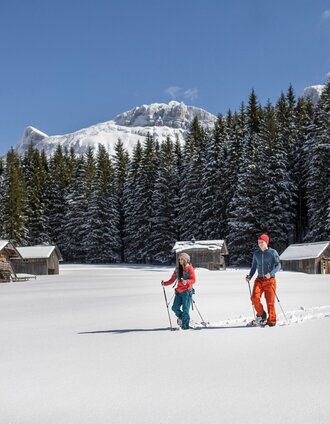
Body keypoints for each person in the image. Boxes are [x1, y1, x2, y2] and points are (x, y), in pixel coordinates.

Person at [245, 234, 281, 327]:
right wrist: (250, 276)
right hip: (259, 280)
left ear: (266, 242)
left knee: (270, 302)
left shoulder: (273, 252)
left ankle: (271, 321)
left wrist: (271, 273)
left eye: (262, 242)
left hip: (270, 281)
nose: (260, 244)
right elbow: (253, 267)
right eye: (259, 242)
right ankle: (261, 314)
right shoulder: (256, 253)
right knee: (254, 298)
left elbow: (278, 265)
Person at [161, 252, 196, 329]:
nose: (180, 261)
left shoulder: (190, 268)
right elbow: (172, 280)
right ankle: (182, 318)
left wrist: (187, 281)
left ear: (186, 260)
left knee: (185, 310)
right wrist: (165, 283)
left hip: (187, 292)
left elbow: (193, 280)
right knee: (174, 308)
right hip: (178, 292)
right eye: (179, 259)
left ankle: (185, 326)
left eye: (182, 259)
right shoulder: (177, 269)